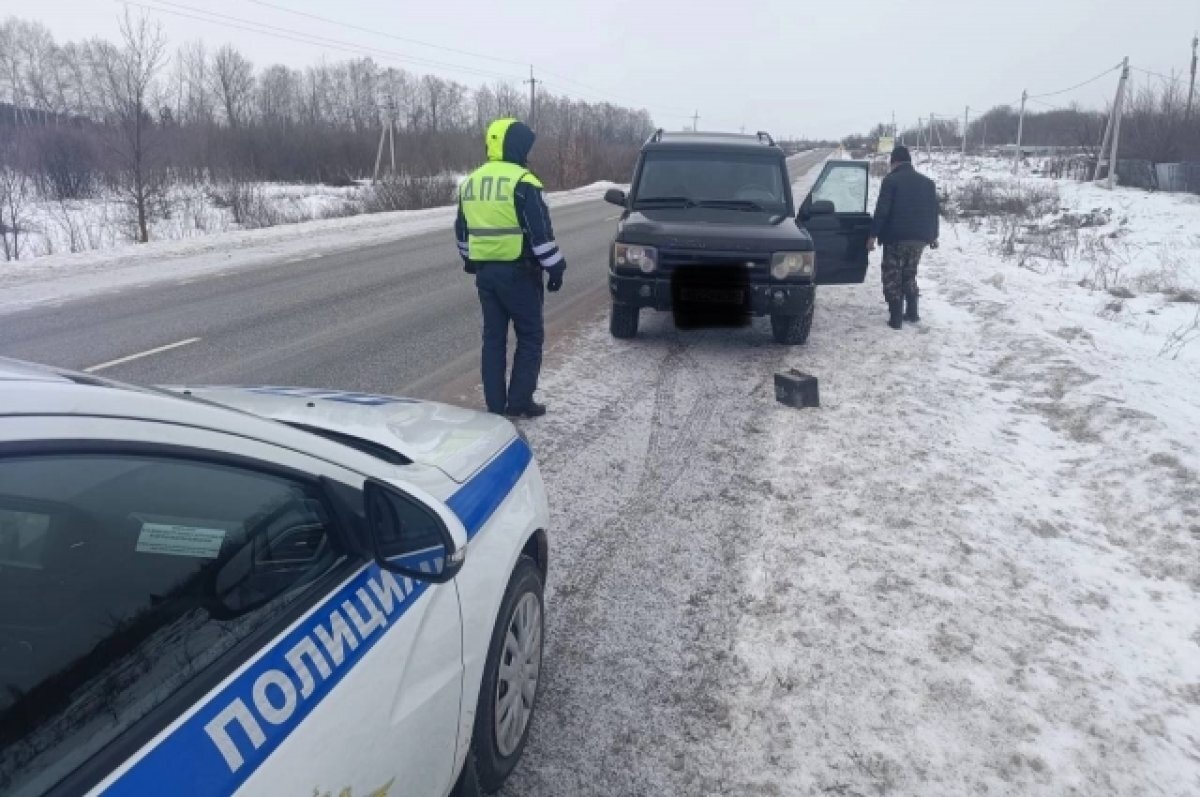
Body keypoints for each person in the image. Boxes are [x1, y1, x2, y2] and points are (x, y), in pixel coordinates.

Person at [455, 118, 566, 418]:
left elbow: (462, 232)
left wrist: (470, 261)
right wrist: (556, 269)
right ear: (515, 146)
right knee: (530, 336)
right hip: (520, 274)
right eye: (526, 145)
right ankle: (519, 403)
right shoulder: (524, 182)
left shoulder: (471, 182)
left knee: (493, 339)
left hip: (485, 275)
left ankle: (495, 406)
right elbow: (540, 235)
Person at [866, 145, 939, 330]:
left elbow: (882, 210)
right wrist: (934, 236)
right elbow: (933, 212)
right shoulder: (928, 183)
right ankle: (913, 313)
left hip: (896, 238)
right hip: (920, 240)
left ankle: (896, 318)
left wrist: (872, 235)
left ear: (894, 162)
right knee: (909, 274)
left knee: (892, 277)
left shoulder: (891, 181)